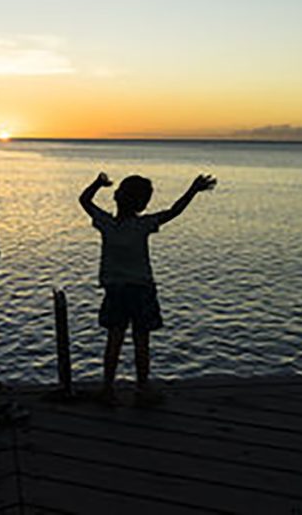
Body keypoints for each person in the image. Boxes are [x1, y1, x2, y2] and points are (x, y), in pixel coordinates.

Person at [80, 171, 216, 405]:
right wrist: (193, 190)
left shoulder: (106, 223)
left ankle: (108, 388)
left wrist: (97, 183)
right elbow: (174, 211)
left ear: (116, 197)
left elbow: (84, 201)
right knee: (142, 341)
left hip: (115, 290)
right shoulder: (143, 225)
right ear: (143, 204)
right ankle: (142, 389)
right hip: (142, 290)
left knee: (114, 340)